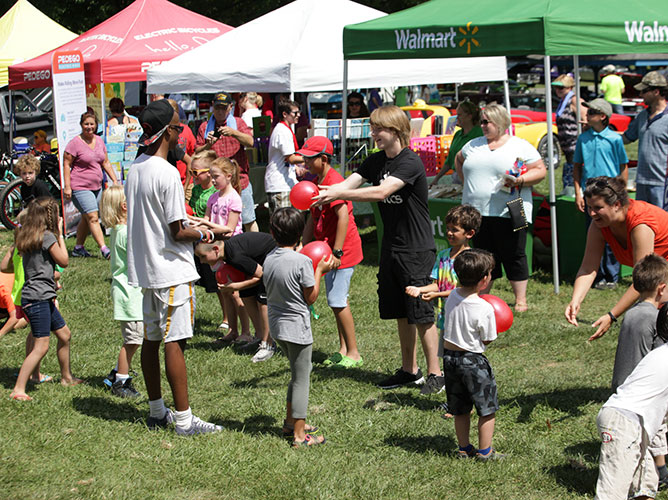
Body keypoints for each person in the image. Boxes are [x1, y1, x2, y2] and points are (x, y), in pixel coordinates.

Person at [313, 105, 444, 394]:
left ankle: (436, 373)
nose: (373, 134)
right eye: (372, 129)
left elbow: (381, 192)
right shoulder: (375, 161)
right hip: (391, 249)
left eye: (377, 129)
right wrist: (325, 192)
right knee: (400, 311)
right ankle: (410, 370)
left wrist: (339, 193)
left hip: (416, 249)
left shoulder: (410, 162)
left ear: (395, 130)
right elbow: (350, 182)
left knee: (421, 312)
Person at [126, 99, 222, 435]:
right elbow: (177, 231)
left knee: (153, 338)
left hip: (147, 269)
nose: (182, 133)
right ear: (168, 132)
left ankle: (156, 411)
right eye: (179, 127)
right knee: (174, 341)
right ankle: (183, 420)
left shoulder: (135, 167)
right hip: (169, 269)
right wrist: (207, 231)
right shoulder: (165, 171)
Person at [455, 103, 546, 312]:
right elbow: (459, 160)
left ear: (501, 123)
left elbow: (540, 170)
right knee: (482, 254)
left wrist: (520, 180)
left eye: (488, 122)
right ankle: (484, 294)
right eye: (482, 122)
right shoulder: (473, 145)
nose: (484, 126)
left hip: (511, 209)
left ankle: (520, 300)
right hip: (476, 211)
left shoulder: (520, 146)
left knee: (514, 253)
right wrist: (465, 182)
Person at [565, 176, 668, 340]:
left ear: (617, 205)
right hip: (658, 280)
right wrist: (575, 300)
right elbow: (588, 268)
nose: (592, 213)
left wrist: (612, 316)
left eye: (598, 208)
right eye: (589, 207)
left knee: (649, 324)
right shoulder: (599, 225)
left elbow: (643, 280)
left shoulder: (640, 224)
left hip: (659, 279)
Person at [264, 207, 333, 446]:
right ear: (301, 233)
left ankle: (290, 422)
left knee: (295, 375)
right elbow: (311, 297)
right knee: (302, 378)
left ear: (273, 232)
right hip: (297, 329)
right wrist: (320, 271)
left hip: (277, 328)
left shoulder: (269, 258)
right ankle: (300, 436)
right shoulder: (303, 261)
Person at [298, 136, 364, 369]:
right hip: (328, 248)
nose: (304, 162)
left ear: (323, 159)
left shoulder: (335, 182)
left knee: (338, 301)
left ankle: (354, 353)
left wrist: (337, 251)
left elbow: (343, 216)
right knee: (335, 301)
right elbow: (312, 216)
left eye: (308, 158)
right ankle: (343, 349)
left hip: (342, 250)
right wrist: (303, 244)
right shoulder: (317, 180)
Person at [593, 303, 668, 500]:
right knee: (613, 492)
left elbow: (661, 412)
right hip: (624, 421)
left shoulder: (660, 354)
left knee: (646, 485)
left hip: (638, 424)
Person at [10, 200, 81, 401]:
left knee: (64, 335)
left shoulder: (27, 236)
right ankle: (18, 389)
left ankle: (66, 377)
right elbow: (64, 261)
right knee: (41, 346)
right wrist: (59, 234)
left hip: (38, 296)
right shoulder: (48, 237)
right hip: (39, 298)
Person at [610, 254, 668, 489]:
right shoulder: (654, 317)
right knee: (656, 428)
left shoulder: (633, 312)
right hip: (641, 391)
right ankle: (660, 471)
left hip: (622, 385)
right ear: (661, 289)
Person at [441, 248, 503, 460]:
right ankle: (485, 452)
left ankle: (464, 448)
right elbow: (488, 338)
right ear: (484, 280)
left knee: (460, 408)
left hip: (449, 358)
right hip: (472, 361)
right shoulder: (484, 308)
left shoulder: (451, 296)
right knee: (487, 408)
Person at [405, 204, 481, 353]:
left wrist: (437, 295)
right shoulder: (443, 256)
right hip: (447, 316)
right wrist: (419, 289)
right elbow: (438, 285)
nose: (449, 233)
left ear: (469, 233)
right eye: (448, 228)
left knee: (464, 354)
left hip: (464, 316)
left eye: (455, 230)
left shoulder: (472, 259)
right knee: (446, 354)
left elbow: (464, 290)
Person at [195, 231, 277, 363]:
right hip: (259, 262)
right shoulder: (227, 254)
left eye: (203, 256)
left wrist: (235, 286)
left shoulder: (235, 255)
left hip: (272, 261)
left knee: (262, 300)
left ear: (216, 250)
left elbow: (261, 274)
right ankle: (260, 336)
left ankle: (268, 344)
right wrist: (238, 286)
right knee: (246, 294)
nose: (201, 261)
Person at [573, 98, 629, 289]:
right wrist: (578, 193)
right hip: (590, 193)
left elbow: (623, 166)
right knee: (594, 234)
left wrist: (621, 191)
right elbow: (577, 167)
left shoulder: (614, 139)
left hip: (610, 193)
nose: (586, 116)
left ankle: (612, 276)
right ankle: (595, 274)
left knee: (613, 233)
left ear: (602, 116)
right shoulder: (583, 138)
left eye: (590, 113)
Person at [194, 157, 250, 344]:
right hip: (216, 249)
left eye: (216, 176)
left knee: (235, 292)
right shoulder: (213, 198)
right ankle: (232, 330)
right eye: (210, 175)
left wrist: (204, 224)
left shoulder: (233, 198)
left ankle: (246, 331)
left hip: (231, 249)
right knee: (224, 291)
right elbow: (207, 221)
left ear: (228, 175)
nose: (213, 179)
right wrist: (193, 223)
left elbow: (230, 228)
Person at [99, 185, 143, 399]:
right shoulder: (126, 233)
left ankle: (116, 373)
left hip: (126, 293)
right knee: (133, 341)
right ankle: (121, 381)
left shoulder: (118, 230)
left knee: (134, 339)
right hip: (130, 295)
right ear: (125, 207)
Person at [196, 92, 257, 232]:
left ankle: (255, 250)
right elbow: (197, 153)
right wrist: (208, 145)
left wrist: (234, 132)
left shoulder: (238, 123)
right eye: (217, 108)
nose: (220, 111)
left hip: (240, 180)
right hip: (216, 183)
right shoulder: (205, 127)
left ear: (230, 107)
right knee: (218, 220)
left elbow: (251, 142)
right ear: (212, 107)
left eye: (223, 108)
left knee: (248, 219)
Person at [63, 111, 119, 259]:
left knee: (86, 217)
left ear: (96, 125)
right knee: (93, 217)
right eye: (86, 124)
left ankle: (78, 247)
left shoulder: (99, 141)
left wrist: (115, 180)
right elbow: (66, 164)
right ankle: (105, 249)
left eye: (92, 124)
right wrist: (67, 186)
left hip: (97, 186)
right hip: (80, 186)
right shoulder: (74, 143)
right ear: (81, 125)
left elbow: (105, 162)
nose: (89, 127)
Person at [187, 151, 231, 333]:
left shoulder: (216, 192)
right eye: (191, 172)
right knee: (206, 280)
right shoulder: (195, 189)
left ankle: (228, 317)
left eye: (196, 172)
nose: (193, 176)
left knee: (220, 282)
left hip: (214, 240)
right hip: (199, 239)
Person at [623, 71, 668, 207]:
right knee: (643, 222)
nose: (640, 95)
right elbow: (626, 138)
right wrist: (599, 129)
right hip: (642, 181)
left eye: (644, 91)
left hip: (662, 184)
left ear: (656, 92)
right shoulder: (642, 116)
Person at [264, 100, 306, 214]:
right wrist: (311, 158)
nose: (298, 115)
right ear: (284, 114)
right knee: (282, 224)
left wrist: (297, 167)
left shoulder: (285, 129)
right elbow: (290, 158)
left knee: (290, 222)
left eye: (299, 112)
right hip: (279, 185)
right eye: (295, 113)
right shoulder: (282, 130)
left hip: (285, 183)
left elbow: (287, 159)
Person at [430, 101, 483, 186]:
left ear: (469, 116)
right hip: (457, 178)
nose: (457, 118)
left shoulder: (480, 134)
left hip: (474, 179)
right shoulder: (458, 134)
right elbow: (449, 160)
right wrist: (437, 178)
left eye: (459, 115)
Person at [552, 74, 586, 191]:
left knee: (575, 172)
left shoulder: (575, 101)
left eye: (561, 88)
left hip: (575, 144)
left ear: (570, 87)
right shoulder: (563, 102)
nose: (557, 90)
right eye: (556, 87)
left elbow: (586, 119)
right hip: (567, 146)